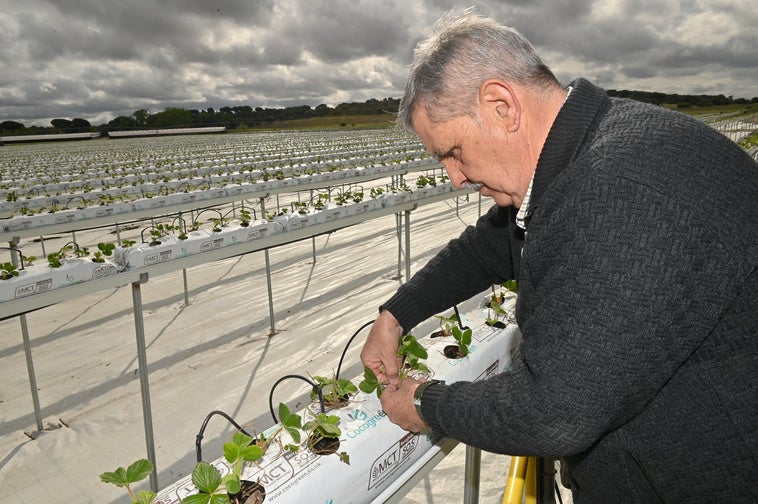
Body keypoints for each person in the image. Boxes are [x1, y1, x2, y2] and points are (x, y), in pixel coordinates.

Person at [359, 7, 758, 504]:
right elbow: (490, 246)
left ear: (502, 106)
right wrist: (396, 315)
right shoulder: (593, 149)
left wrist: (424, 403)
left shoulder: (616, 191)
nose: (456, 178)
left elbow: (555, 412)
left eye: (454, 152)